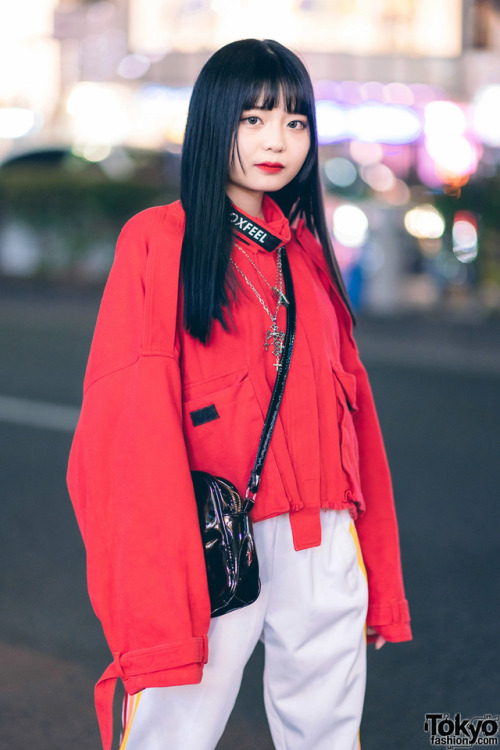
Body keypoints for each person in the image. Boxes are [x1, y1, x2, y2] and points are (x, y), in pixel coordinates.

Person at [67, 38, 411, 750]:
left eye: (294, 121)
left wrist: (376, 572)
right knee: (172, 730)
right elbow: (126, 423)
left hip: (323, 542)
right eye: (253, 119)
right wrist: (155, 576)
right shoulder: (160, 241)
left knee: (326, 736)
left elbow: (358, 425)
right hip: (218, 537)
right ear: (213, 123)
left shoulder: (308, 254)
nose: (276, 141)